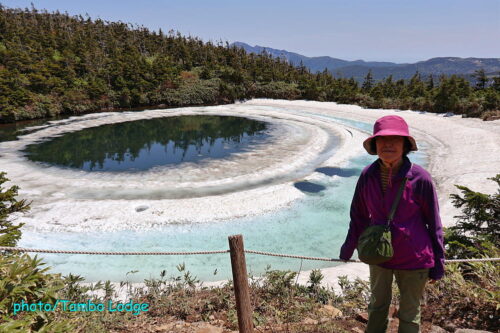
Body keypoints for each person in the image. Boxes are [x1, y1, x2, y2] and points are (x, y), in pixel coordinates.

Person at [339, 115, 445, 333]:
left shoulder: (420, 178)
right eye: (382, 140)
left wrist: (438, 263)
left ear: (405, 145)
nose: (388, 144)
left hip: (414, 256)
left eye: (395, 139)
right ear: (375, 144)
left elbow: (434, 222)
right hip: (378, 253)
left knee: (409, 312)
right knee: (377, 306)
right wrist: (347, 248)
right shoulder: (368, 175)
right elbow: (358, 214)